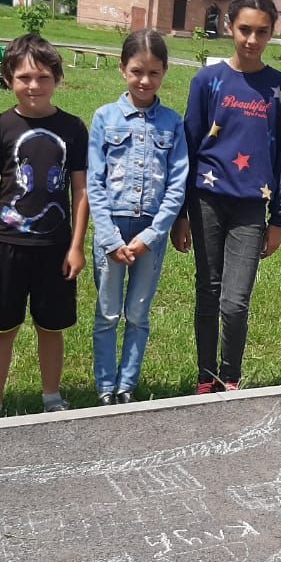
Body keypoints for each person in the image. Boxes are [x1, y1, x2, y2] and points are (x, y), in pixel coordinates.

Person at [171, 0, 281, 394]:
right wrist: (180, 213)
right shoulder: (207, 81)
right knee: (208, 293)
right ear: (229, 27)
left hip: (251, 208)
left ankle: (230, 377)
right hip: (206, 200)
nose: (252, 40)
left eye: (262, 32)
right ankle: (205, 378)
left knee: (235, 301)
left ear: (272, 33)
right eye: (244, 29)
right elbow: (189, 146)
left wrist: (277, 219)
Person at [0, 34, 89, 420]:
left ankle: (52, 396)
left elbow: (80, 189)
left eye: (42, 77)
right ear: (8, 79)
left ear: (57, 79)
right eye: (23, 77)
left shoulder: (73, 128)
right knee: (1, 329)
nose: (33, 85)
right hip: (6, 246)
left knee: (51, 328)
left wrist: (76, 246)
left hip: (55, 248)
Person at [87, 30, 189, 405]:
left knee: (138, 313)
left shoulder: (173, 123)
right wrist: (110, 238)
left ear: (165, 72)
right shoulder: (104, 118)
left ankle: (127, 385)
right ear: (122, 69)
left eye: (154, 73)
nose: (145, 80)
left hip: (150, 233)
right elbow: (94, 181)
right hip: (112, 230)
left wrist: (152, 234)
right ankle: (105, 387)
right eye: (136, 71)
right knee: (108, 313)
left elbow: (177, 184)